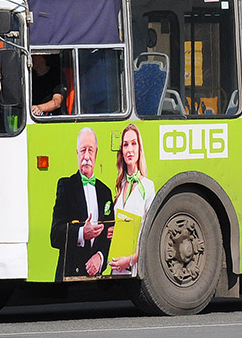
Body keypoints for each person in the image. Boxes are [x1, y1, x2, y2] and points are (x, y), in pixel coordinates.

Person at [50, 127, 114, 279]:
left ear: (96, 154)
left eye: (90, 150)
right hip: (69, 276)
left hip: (97, 281)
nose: (86, 156)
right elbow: (55, 235)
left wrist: (100, 256)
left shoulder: (105, 192)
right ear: (77, 153)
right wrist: (81, 233)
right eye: (83, 150)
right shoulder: (66, 186)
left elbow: (110, 233)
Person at [107, 123, 154, 276]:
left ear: (140, 149)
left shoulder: (147, 186)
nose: (130, 149)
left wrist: (129, 261)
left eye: (134, 143)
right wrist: (113, 232)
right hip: (116, 268)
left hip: (135, 269)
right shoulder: (120, 186)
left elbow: (151, 235)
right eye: (126, 145)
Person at [31, 53, 74, 118]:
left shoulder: (56, 75)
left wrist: (39, 108)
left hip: (55, 120)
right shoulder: (29, 77)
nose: (31, 58)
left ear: (44, 58)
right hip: (33, 118)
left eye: (34, 55)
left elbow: (57, 102)